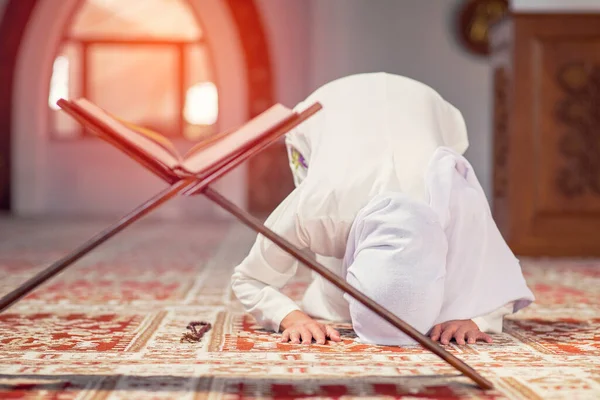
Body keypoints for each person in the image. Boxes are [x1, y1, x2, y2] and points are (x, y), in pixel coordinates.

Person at [231, 72, 534, 346]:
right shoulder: (316, 207)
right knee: (338, 306)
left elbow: (497, 270)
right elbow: (249, 277)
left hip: (426, 107)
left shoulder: (453, 199)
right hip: (322, 109)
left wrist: (473, 318)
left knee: (411, 294)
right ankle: (342, 299)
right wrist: (289, 316)